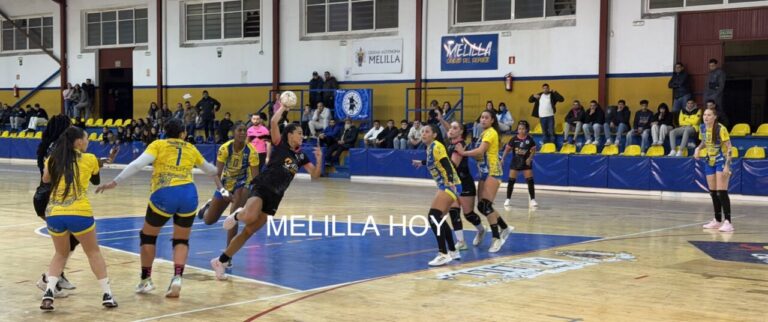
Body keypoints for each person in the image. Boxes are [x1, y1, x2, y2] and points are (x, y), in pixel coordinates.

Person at [95, 118, 222, 297]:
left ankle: (145, 280)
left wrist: (115, 182)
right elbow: (210, 171)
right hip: (188, 194)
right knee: (181, 240)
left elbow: (137, 164)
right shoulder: (191, 148)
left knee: (147, 236)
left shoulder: (158, 144)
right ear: (183, 133)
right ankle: (177, 277)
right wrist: (215, 169)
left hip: (164, 193)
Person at [210, 102, 322, 280]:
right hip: (263, 186)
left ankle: (220, 261)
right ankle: (237, 215)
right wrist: (283, 107)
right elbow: (274, 123)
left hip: (276, 196)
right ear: (290, 134)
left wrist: (319, 159)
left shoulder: (301, 156)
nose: (302, 136)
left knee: (249, 231)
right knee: (248, 217)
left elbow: (315, 175)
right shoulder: (280, 144)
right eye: (299, 133)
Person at [40, 126, 117, 310]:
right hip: (79, 212)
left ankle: (48, 293)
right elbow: (96, 181)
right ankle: (107, 294)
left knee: (60, 254)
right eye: (87, 139)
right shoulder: (89, 159)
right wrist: (101, 163)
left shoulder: (53, 159)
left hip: (55, 213)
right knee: (93, 252)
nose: (88, 142)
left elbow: (45, 180)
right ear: (79, 142)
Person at [197, 123, 259, 268]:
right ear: (233, 133)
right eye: (240, 130)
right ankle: (207, 207)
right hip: (224, 184)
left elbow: (255, 178)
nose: (243, 133)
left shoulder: (252, 151)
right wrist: (223, 191)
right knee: (208, 220)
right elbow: (216, 174)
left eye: (245, 131)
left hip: (243, 184)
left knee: (233, 217)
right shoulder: (225, 148)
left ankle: (227, 256)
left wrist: (254, 196)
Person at [455, 110, 514, 253]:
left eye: (486, 118)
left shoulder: (491, 133)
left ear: (492, 120)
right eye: (481, 117)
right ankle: (505, 227)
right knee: (481, 207)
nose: (483, 120)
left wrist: (464, 153)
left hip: (493, 170)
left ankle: (496, 238)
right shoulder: (483, 133)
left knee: (486, 206)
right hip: (484, 172)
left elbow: (481, 151)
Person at [411, 124, 461, 266]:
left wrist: (450, 180)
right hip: (446, 184)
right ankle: (452, 251)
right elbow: (435, 162)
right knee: (438, 218)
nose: (423, 134)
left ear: (434, 134)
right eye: (422, 132)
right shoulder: (430, 148)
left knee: (433, 217)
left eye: (427, 131)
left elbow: (446, 163)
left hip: (449, 184)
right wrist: (421, 163)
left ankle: (443, 253)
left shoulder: (436, 146)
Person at [436, 112, 485, 251]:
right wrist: (441, 119)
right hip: (455, 184)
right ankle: (461, 241)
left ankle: (481, 229)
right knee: (453, 210)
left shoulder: (460, 145)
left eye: (454, 128)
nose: (450, 130)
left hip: (465, 183)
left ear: (461, 132)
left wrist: (429, 163)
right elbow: (448, 129)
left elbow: (452, 166)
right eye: (450, 128)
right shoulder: (452, 142)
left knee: (469, 214)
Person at [696, 107, 734, 232]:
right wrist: (698, 148)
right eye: (704, 115)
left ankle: (728, 222)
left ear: (715, 117)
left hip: (721, 160)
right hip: (709, 160)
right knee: (713, 192)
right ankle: (717, 220)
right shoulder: (702, 128)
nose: (706, 117)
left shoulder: (720, 129)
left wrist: (727, 166)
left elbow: (729, 147)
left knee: (721, 192)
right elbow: (704, 142)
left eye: (709, 115)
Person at [501, 120, 538, 209]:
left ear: (526, 130)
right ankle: (508, 199)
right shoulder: (514, 139)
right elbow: (507, 150)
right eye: (519, 128)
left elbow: (533, 151)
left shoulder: (530, 139)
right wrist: (502, 159)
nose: (521, 130)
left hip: (526, 162)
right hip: (516, 162)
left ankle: (532, 199)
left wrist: (530, 158)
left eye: (523, 129)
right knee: (511, 181)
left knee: (530, 181)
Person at [704, 58, 727, 126]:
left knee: (718, 111)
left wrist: (716, 95)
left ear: (716, 65)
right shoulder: (709, 73)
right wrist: (705, 96)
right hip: (708, 96)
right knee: (709, 111)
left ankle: (724, 126)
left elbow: (721, 85)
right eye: (710, 66)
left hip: (716, 96)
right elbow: (707, 85)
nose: (711, 67)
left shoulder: (720, 73)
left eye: (713, 66)